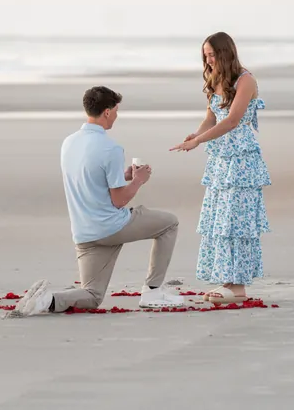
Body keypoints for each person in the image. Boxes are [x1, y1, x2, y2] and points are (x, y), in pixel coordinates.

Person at [12, 86, 184, 316]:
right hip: (112, 226)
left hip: (85, 233)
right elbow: (118, 201)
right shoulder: (111, 148)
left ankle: (47, 300)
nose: (116, 115)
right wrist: (138, 181)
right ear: (107, 112)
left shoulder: (69, 143)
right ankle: (152, 291)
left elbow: (89, 179)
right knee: (169, 223)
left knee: (92, 296)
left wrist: (123, 177)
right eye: (115, 110)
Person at [169, 32, 271, 304]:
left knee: (236, 219)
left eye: (212, 55)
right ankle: (230, 283)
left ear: (226, 53)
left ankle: (237, 285)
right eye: (205, 55)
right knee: (221, 219)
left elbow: (232, 121)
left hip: (241, 159)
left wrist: (200, 141)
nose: (208, 60)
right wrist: (194, 136)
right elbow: (211, 118)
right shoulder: (215, 80)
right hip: (220, 160)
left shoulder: (245, 80)